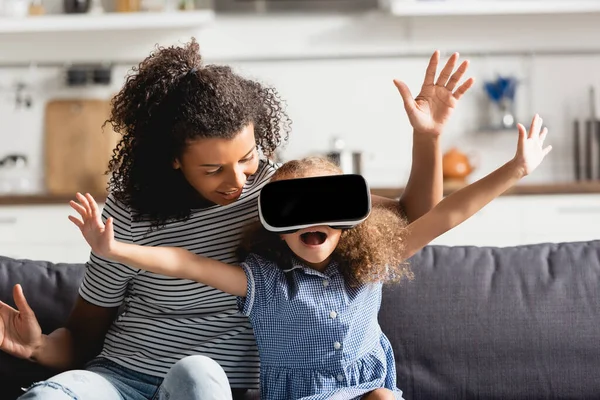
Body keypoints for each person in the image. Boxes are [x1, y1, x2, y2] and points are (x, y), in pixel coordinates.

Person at [0, 37, 475, 400]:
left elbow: (414, 217)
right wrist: (40, 348)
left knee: (198, 377)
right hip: (120, 377)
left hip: (207, 386)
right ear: (173, 160)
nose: (239, 181)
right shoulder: (128, 213)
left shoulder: (281, 194)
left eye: (247, 158)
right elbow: (82, 337)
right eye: (213, 169)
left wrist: (428, 137)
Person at [67, 115, 551, 400]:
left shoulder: (369, 265)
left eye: (322, 211)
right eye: (294, 213)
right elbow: (186, 264)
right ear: (275, 228)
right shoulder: (265, 283)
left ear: (347, 220)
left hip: (366, 392)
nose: (309, 225)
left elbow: (446, 215)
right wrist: (113, 249)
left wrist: (515, 169)